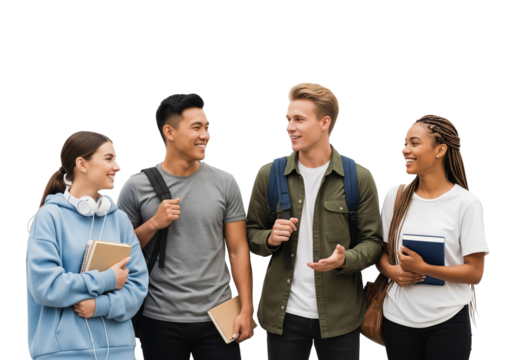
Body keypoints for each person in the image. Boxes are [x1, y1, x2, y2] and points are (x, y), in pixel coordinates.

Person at [246, 82, 383, 359]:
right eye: (287, 119)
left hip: (341, 315)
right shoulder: (268, 174)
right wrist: (269, 238)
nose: (289, 127)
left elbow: (373, 242)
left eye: (299, 119)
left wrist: (346, 259)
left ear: (324, 122)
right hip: (283, 315)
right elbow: (250, 235)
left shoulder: (359, 177)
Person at [116, 93, 255, 360]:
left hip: (219, 315)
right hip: (158, 317)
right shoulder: (135, 186)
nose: (206, 135)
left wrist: (247, 308)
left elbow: (238, 250)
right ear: (169, 131)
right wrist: (154, 223)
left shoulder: (226, 182)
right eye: (196, 127)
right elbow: (119, 251)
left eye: (208, 127)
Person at [24, 130, 149, 360]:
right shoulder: (49, 217)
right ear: (82, 163)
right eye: (109, 159)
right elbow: (46, 286)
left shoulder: (119, 219)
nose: (118, 167)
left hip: (120, 352)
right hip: (63, 353)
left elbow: (138, 287)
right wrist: (108, 279)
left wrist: (99, 306)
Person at [376, 114, 490, 360]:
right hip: (398, 319)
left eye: (414, 143)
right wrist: (392, 271)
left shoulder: (467, 203)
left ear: (440, 149)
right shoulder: (394, 196)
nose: (404, 149)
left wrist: (424, 268)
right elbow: (381, 255)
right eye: (404, 143)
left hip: (448, 321)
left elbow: (475, 273)